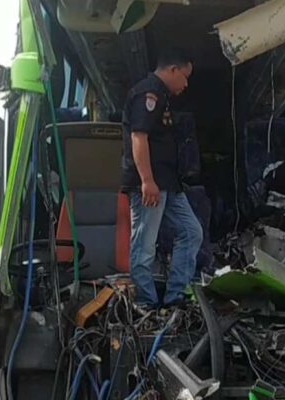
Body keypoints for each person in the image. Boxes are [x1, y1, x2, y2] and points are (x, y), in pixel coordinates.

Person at [122, 48, 202, 308]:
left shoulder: (163, 97)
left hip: (168, 183)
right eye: (185, 77)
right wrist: (146, 180)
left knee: (191, 232)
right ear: (173, 70)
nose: (187, 84)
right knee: (145, 245)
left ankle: (175, 298)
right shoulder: (148, 94)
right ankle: (146, 304)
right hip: (151, 185)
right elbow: (138, 136)